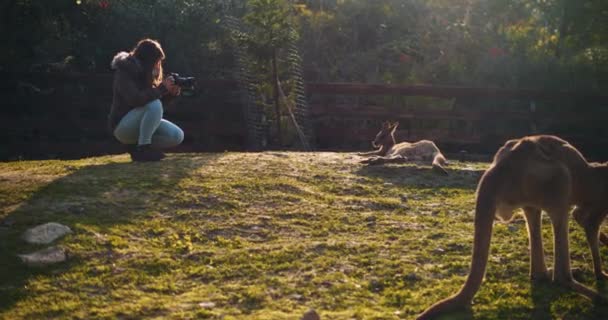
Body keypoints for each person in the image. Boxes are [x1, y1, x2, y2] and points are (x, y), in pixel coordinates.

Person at [108, 38, 184, 162]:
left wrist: (170, 94)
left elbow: (154, 109)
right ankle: (143, 149)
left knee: (176, 136)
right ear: (148, 59)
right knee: (154, 104)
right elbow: (136, 100)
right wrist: (161, 89)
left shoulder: (146, 73)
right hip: (122, 127)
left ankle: (138, 148)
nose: (157, 65)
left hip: (138, 123)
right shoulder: (125, 71)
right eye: (156, 61)